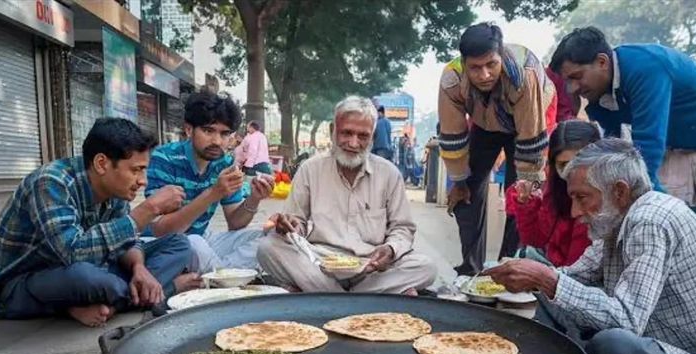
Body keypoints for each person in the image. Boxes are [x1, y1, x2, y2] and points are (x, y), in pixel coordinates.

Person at [486, 139, 696, 354]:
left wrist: (547, 280)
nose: (575, 212)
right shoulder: (617, 220)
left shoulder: (651, 220)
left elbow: (627, 319)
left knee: (612, 346)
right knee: (542, 275)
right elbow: (573, 277)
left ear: (619, 191)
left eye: (582, 197)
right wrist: (536, 277)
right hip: (650, 337)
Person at [551, 27, 696, 252]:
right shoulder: (600, 97)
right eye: (566, 81)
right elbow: (615, 156)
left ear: (602, 62)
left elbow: (646, 152)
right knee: (664, 207)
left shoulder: (646, 68)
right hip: (680, 138)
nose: (572, 88)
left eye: (576, 77)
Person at [0, 118, 197, 327]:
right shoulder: (51, 183)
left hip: (89, 267)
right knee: (88, 278)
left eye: (144, 169)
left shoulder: (115, 190)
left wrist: (139, 268)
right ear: (102, 163)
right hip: (20, 284)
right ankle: (165, 290)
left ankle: (114, 301)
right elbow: (73, 253)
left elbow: (126, 242)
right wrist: (149, 209)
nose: (143, 180)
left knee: (179, 244)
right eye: (135, 170)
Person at [257, 96, 437, 295]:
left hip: (370, 266)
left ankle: (328, 297)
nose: (353, 143)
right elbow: (296, 224)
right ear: (332, 130)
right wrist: (288, 227)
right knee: (268, 247)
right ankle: (361, 298)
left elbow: (402, 228)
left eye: (363, 136)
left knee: (426, 267)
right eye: (347, 133)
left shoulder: (389, 174)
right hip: (320, 263)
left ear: (373, 136)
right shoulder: (310, 169)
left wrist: (391, 249)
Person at [438, 22, 557, 275]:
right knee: (465, 192)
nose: (484, 75)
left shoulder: (524, 74)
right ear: (464, 63)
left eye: (491, 64)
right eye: (475, 68)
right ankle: (471, 268)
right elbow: (452, 133)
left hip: (533, 120)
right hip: (486, 122)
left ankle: (509, 267)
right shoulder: (451, 79)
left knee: (523, 195)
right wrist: (458, 181)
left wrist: (530, 179)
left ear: (501, 55)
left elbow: (531, 137)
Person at [146, 92, 274, 273]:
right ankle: (225, 277)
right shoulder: (165, 158)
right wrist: (213, 193)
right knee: (194, 243)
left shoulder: (225, 162)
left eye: (225, 134)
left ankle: (217, 274)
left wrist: (254, 198)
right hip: (166, 245)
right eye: (208, 131)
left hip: (203, 239)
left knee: (269, 238)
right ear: (189, 130)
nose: (217, 141)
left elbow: (235, 223)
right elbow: (162, 230)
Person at [506, 120, 598, 267]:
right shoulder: (555, 188)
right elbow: (536, 239)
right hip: (556, 269)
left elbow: (579, 269)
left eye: (578, 164)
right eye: (564, 165)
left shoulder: (603, 199)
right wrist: (526, 204)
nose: (571, 172)